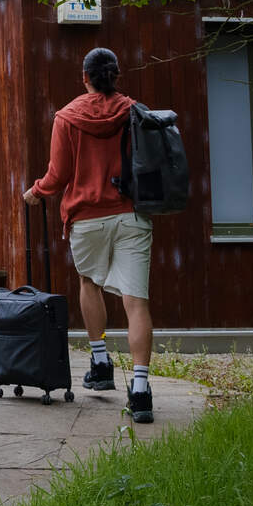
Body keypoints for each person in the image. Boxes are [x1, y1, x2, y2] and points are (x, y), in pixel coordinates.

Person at [23, 46, 157, 423]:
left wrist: (35, 192)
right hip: (131, 214)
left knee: (89, 281)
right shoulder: (134, 111)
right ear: (116, 75)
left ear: (84, 77)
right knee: (137, 302)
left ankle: (100, 364)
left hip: (86, 218)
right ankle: (142, 391)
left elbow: (58, 175)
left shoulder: (67, 117)